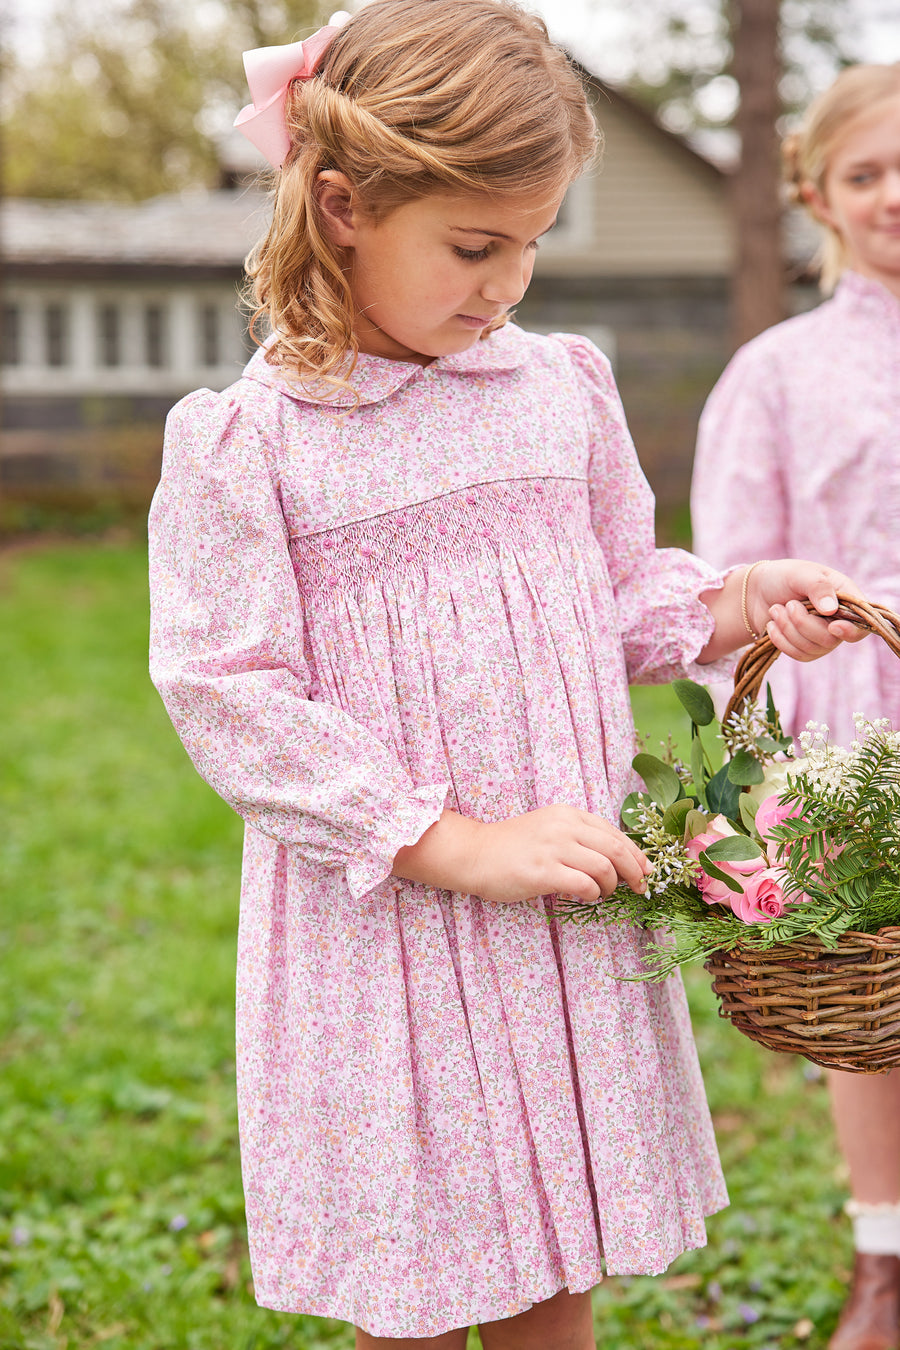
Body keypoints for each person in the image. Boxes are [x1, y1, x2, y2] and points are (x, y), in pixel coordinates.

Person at [148, 5, 867, 1346]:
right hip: (394, 934)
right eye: (476, 245)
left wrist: (735, 599)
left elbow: (613, 593)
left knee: (554, 1262)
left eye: (534, 241)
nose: (510, 283)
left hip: (556, 910)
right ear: (346, 204)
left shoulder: (557, 391)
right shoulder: (251, 443)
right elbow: (228, 690)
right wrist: (449, 839)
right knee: (418, 1271)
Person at [691, 62, 900, 1350]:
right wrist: (779, 631)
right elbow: (728, 578)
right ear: (817, 193)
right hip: (861, 721)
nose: (897, 197)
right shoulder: (778, 372)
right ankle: (887, 1255)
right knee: (879, 1008)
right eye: (868, 173)